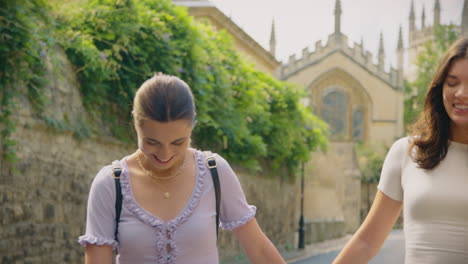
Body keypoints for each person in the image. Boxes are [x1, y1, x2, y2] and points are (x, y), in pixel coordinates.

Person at [78, 74, 286, 264]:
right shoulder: (110, 184)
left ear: (192, 124)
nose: (165, 154)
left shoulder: (215, 172)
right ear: (135, 124)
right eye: (151, 142)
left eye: (178, 142)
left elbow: (259, 251)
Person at [333, 37, 468, 264]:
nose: (461, 93)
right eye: (452, 83)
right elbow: (366, 242)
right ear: (439, 87)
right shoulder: (407, 152)